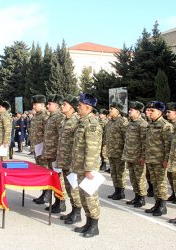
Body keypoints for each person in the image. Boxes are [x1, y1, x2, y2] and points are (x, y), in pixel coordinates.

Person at [72, 93, 102, 238]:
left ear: (88, 107)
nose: (78, 107)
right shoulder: (82, 121)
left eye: (80, 105)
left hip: (88, 167)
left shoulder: (92, 124)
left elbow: (92, 147)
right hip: (80, 166)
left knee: (90, 196)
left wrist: (89, 168)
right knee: (84, 196)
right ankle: (88, 223)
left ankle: (94, 226)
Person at [144, 101, 173, 216]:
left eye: (152, 111)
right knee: (154, 183)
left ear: (160, 112)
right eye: (149, 110)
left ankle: (162, 206)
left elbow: (168, 145)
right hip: (151, 159)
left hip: (160, 160)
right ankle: (157, 203)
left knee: (161, 183)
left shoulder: (166, 126)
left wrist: (166, 160)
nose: (149, 112)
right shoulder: (150, 124)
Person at [57, 95, 82, 224]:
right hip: (64, 160)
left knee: (74, 187)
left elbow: (79, 143)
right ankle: (73, 210)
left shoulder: (76, 121)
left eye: (64, 104)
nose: (62, 106)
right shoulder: (65, 120)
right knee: (67, 187)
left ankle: (77, 212)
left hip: (72, 161)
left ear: (71, 107)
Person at [122, 101, 148, 207]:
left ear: (137, 112)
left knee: (140, 178)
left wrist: (143, 157)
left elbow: (145, 142)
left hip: (138, 157)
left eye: (131, 110)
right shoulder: (130, 123)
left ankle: (142, 198)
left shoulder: (142, 124)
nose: (129, 111)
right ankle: (136, 196)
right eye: (129, 110)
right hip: (130, 155)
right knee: (132, 177)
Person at [42, 94, 65, 212]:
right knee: (54, 178)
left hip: (56, 153)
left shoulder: (59, 118)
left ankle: (61, 202)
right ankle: (57, 201)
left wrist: (58, 153)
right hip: (50, 153)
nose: (47, 105)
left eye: (50, 104)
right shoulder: (51, 117)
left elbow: (61, 136)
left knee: (59, 178)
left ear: (57, 106)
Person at [105, 101, 129, 200]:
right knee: (113, 172)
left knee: (120, 173)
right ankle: (116, 190)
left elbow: (126, 138)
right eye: (110, 109)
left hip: (119, 152)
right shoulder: (109, 122)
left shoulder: (123, 121)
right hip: (111, 151)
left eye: (112, 109)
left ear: (118, 111)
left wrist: (125, 152)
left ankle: (121, 192)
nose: (109, 110)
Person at [30, 95, 50, 204]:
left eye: (35, 104)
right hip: (36, 148)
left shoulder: (45, 115)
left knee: (45, 170)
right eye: (33, 104)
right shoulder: (36, 115)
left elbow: (47, 133)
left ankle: (47, 194)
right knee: (40, 170)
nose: (33, 106)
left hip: (43, 148)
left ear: (42, 105)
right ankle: (44, 193)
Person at [166, 102, 176, 204]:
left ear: (175, 113)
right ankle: (174, 193)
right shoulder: (168, 125)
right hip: (169, 155)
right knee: (171, 177)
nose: (167, 114)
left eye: (169, 112)